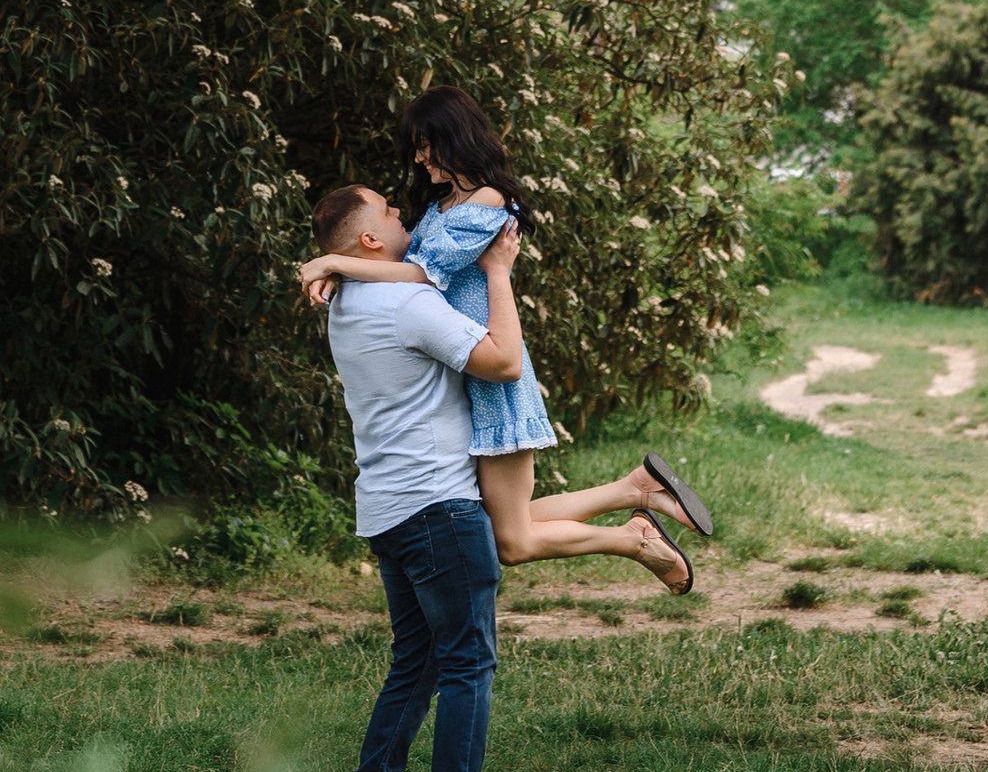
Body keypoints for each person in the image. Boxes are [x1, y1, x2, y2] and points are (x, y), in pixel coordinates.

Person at [302, 85, 712, 589]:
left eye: (424, 145)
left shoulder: (489, 201)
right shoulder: (442, 205)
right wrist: (341, 267)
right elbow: (396, 263)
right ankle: (637, 493)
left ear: (453, 137)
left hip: (493, 378)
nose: (419, 158)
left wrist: (334, 261)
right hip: (464, 372)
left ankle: (635, 536)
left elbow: (425, 275)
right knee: (503, 527)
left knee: (511, 542)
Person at [308, 176, 519, 772]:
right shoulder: (407, 302)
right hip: (438, 507)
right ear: (371, 238)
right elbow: (504, 363)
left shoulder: (348, 301)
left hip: (388, 509)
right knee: (466, 664)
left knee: (417, 662)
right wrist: (498, 273)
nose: (403, 210)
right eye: (389, 209)